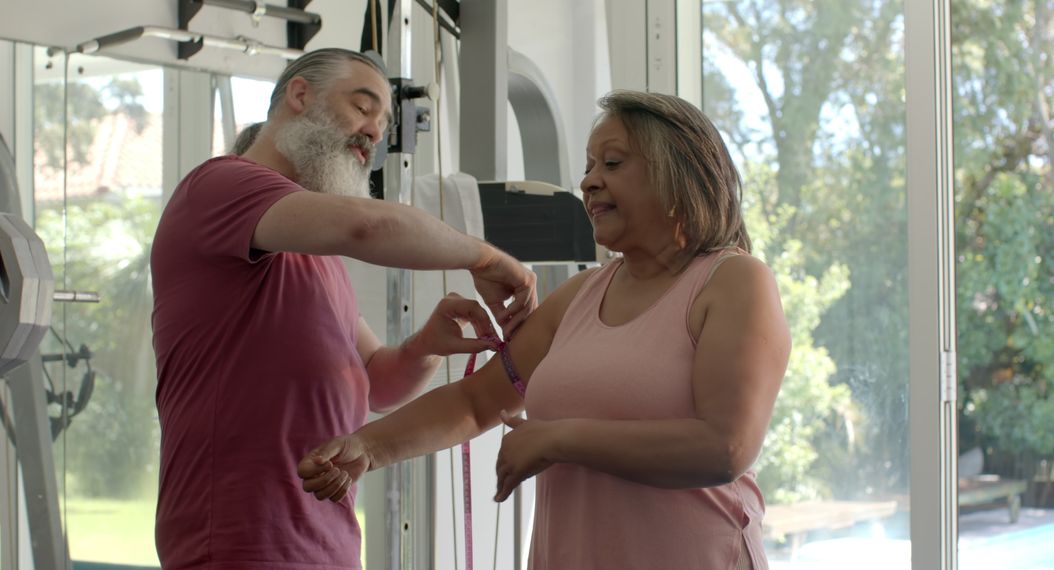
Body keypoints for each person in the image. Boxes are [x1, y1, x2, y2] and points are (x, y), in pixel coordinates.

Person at [298, 90, 792, 569]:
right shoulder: (579, 296)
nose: (590, 183)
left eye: (613, 164)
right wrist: (366, 447)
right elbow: (475, 403)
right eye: (588, 168)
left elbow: (724, 448)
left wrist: (558, 439)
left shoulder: (733, 281)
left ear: (677, 174)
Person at [151, 48, 537, 570]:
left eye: (382, 123)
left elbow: (377, 383)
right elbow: (368, 225)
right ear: (300, 94)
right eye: (362, 106)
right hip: (241, 542)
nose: (374, 133)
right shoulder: (219, 185)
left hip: (325, 544)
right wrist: (486, 257)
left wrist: (425, 346)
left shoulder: (318, 260)